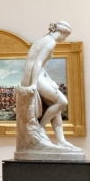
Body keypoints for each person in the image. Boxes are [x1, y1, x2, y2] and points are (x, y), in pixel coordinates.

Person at [21, 21, 79, 151]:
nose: (65, 39)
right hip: (33, 77)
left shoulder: (44, 40)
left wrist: (50, 80)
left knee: (55, 106)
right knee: (62, 101)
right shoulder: (51, 42)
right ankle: (40, 127)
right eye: (66, 36)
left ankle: (61, 140)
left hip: (37, 75)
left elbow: (40, 66)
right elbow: (37, 63)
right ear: (63, 32)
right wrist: (34, 85)